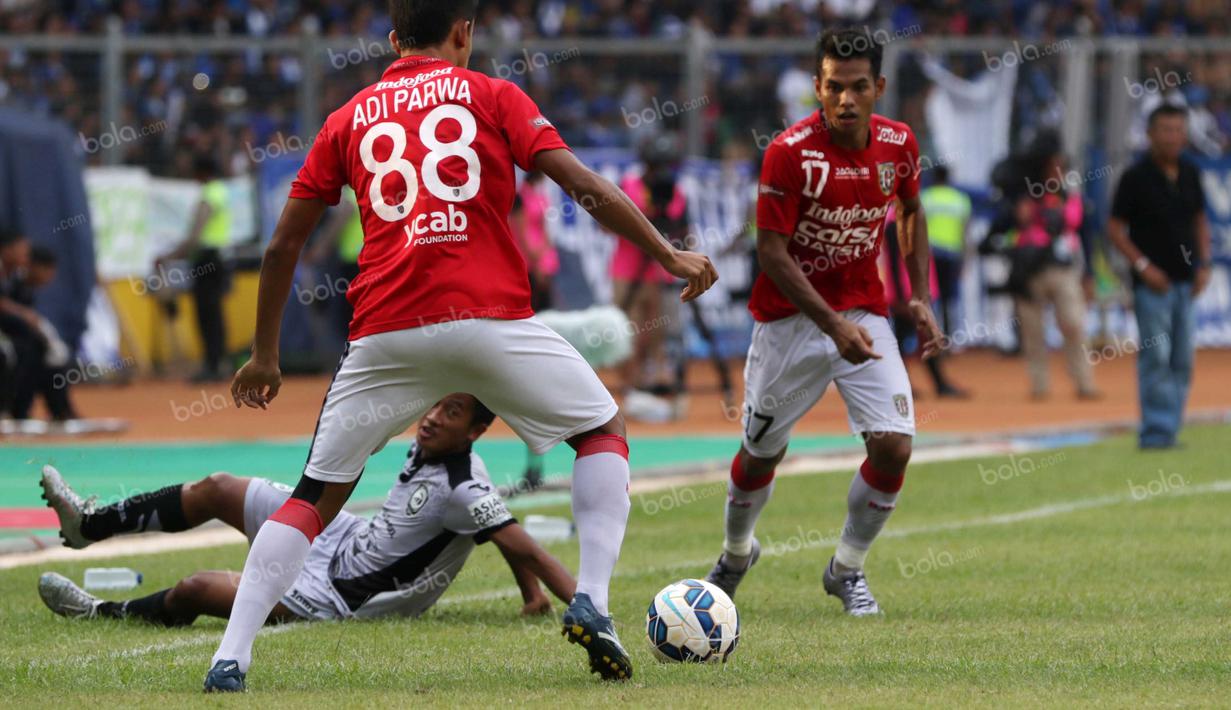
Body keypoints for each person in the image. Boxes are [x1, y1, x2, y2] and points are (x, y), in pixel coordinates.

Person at [211, 0, 717, 692]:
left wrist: (265, 354)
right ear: (464, 32)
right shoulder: (493, 94)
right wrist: (666, 252)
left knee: (312, 499)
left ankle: (230, 658)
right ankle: (592, 600)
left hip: (385, 334)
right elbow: (582, 186)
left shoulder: (346, 117)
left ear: (393, 41)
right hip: (489, 321)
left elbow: (282, 244)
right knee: (601, 429)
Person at [704, 28, 944, 617]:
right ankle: (736, 554)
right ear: (817, 86)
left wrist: (919, 295)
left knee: (893, 447)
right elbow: (772, 253)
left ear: (878, 87)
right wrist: (832, 325)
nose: (845, 100)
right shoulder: (789, 152)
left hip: (864, 313)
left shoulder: (899, 144)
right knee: (760, 455)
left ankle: (847, 569)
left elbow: (911, 211)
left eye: (858, 87)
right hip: (790, 322)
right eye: (833, 87)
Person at [38, 393, 574, 625]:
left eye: (451, 412)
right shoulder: (435, 444)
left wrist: (585, 609)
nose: (431, 418)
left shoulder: (464, 489)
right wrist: (529, 598)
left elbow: (518, 541)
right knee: (221, 486)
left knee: (198, 589)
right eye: (435, 404)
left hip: (337, 597)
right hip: (340, 536)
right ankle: (89, 526)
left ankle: (101, 612)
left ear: (477, 431)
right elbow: (497, 531)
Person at [1108, 104, 1213, 450]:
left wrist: (1204, 264)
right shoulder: (1135, 177)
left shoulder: (1190, 173)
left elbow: (1199, 220)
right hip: (1153, 284)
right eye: (1165, 129)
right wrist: (1143, 267)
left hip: (1185, 280)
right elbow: (1115, 229)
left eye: (1178, 130)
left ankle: (1170, 426)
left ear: (1185, 135)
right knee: (1157, 355)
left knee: (1183, 356)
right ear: (1150, 134)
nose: (1172, 136)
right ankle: (1155, 431)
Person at [1012, 150, 1099, 400]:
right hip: (1029, 270)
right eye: (1051, 167)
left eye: (1060, 168)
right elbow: (1012, 223)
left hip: (1063, 269)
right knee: (1032, 330)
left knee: (1074, 324)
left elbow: (1085, 234)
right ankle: (1039, 385)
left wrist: (1089, 273)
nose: (1056, 173)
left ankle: (1084, 382)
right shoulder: (1027, 195)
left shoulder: (1070, 197)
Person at [157, 156, 233, 383]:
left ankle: (212, 365)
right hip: (216, 258)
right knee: (215, 314)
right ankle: (218, 362)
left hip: (207, 259)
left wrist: (170, 256)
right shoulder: (221, 191)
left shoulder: (209, 194)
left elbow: (195, 235)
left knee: (207, 314)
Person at [0, 232, 78, 425]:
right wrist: (25, 315)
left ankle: (46, 411)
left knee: (40, 351)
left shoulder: (16, 279)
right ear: (7, 249)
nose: (26, 256)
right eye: (22, 250)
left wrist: (48, 337)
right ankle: (5, 411)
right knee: (10, 353)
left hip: (11, 334)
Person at [918, 165, 972, 397]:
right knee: (950, 300)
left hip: (930, 255)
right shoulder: (960, 200)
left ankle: (935, 336)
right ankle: (946, 341)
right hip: (951, 254)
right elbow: (965, 232)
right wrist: (965, 259)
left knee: (930, 300)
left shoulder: (924, 198)